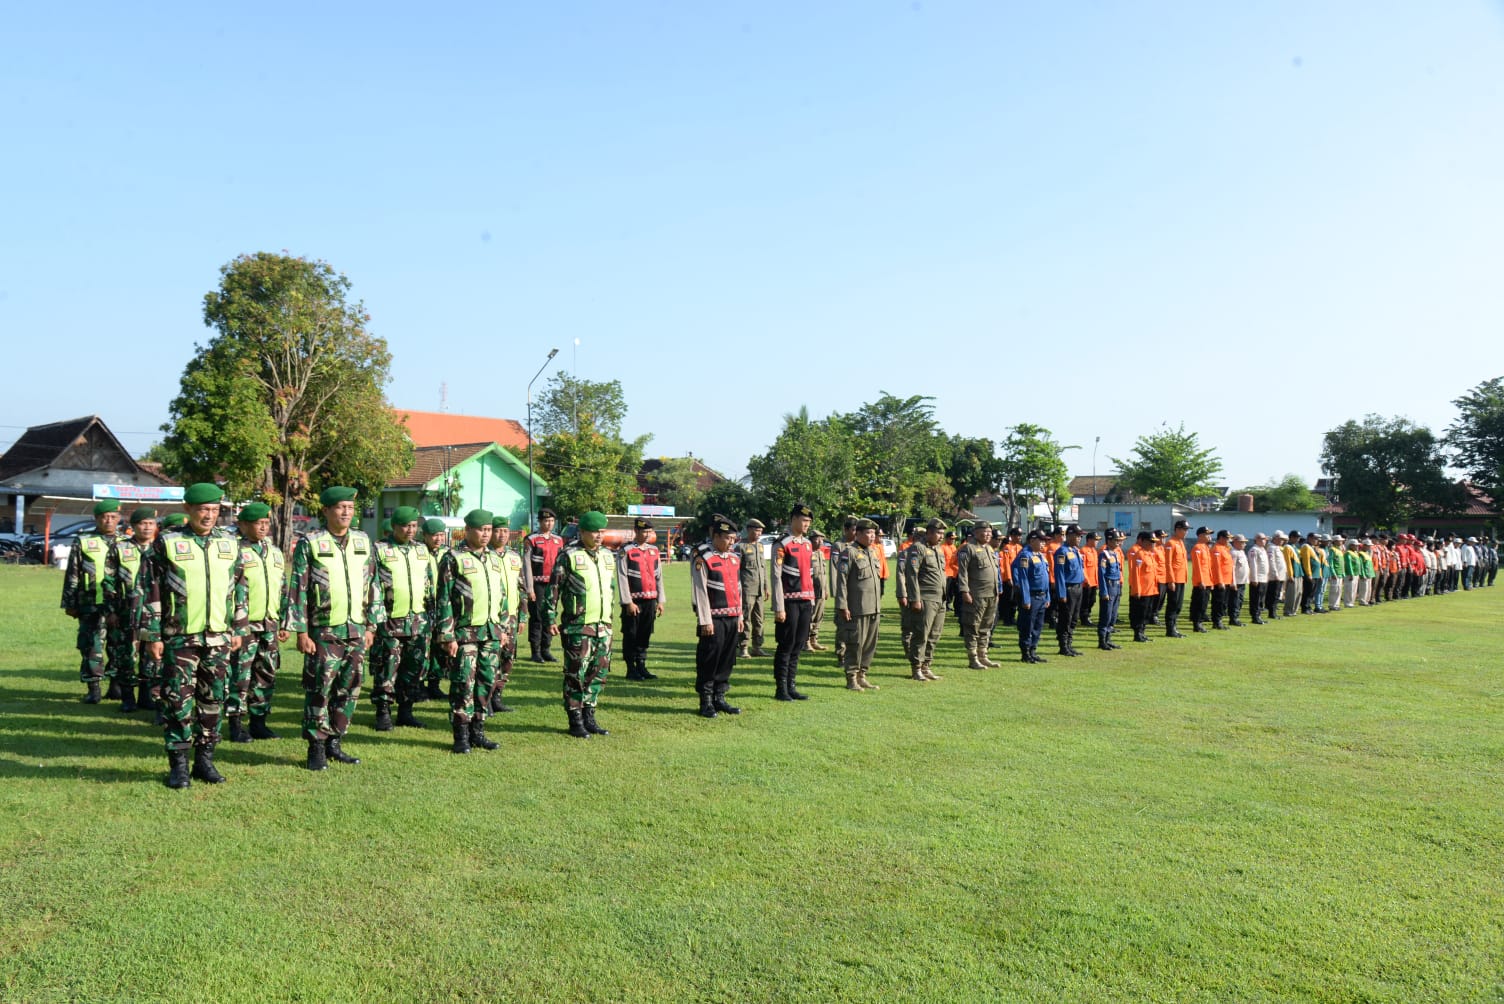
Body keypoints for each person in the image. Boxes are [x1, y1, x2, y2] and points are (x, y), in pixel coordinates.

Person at [139, 483, 247, 788]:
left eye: (214, 510)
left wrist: (239, 627)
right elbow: (151, 589)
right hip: (180, 637)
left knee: (213, 699)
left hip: (218, 637)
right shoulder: (168, 543)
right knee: (177, 701)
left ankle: (205, 760)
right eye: (203, 509)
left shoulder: (230, 543)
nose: (209, 515)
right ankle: (179, 766)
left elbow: (239, 587)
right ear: (188, 510)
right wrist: (152, 635)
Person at [284, 486, 384, 772]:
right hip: (324, 631)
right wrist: (301, 631)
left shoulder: (363, 541)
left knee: (349, 689)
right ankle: (316, 747)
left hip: (356, 629)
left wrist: (372, 625)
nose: (345, 513)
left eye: (350, 508)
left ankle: (334, 742)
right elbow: (298, 589)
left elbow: (373, 585)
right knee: (320, 689)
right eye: (340, 507)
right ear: (326, 510)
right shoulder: (311, 543)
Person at [433, 509, 508, 754]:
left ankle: (478, 730)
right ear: (467, 530)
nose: (486, 534)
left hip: (491, 633)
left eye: (488, 530)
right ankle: (461, 735)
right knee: (463, 684)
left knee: (486, 682)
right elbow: (443, 598)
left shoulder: (495, 559)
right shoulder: (453, 558)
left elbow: (502, 596)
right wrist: (447, 635)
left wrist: (504, 626)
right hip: (465, 634)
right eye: (481, 530)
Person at [549, 510, 618, 737]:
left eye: (601, 532)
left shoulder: (608, 555)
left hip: (603, 625)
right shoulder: (568, 555)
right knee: (575, 674)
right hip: (578, 626)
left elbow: (609, 589)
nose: (598, 536)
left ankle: (590, 715)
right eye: (593, 532)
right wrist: (550, 618)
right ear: (582, 532)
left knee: (598, 673)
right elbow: (553, 589)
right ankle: (575, 719)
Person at [226, 502, 287, 742]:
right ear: (243, 525)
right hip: (244, 625)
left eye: (265, 523)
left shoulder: (274, 551)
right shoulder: (234, 551)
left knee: (266, 673)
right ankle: (236, 724)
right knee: (241, 675)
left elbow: (280, 587)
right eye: (257, 523)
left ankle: (259, 722)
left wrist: (281, 620)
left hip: (269, 623)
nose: (263, 527)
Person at [368, 506, 432, 732]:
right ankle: (383, 712)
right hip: (390, 622)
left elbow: (429, 583)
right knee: (387, 668)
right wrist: (373, 621)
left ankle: (406, 711)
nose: (410, 530)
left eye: (414, 526)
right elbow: (370, 584)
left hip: (418, 622)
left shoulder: (421, 550)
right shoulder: (379, 549)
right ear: (394, 526)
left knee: (413, 669)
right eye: (405, 526)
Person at [61, 498, 123, 704]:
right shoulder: (84, 541)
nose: (108, 521)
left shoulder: (126, 542)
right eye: (104, 517)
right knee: (91, 646)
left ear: (119, 519)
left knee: (118, 646)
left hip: (120, 606)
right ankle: (93, 688)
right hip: (91, 604)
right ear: (96, 519)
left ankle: (116, 687)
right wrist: (69, 602)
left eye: (113, 517)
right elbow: (73, 573)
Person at [103, 506, 156, 714]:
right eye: (143, 523)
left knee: (150, 658)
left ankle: (146, 696)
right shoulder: (120, 548)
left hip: (153, 614)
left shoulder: (160, 549)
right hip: (126, 612)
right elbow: (108, 581)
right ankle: (127, 698)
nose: (147, 527)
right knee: (127, 656)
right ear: (133, 527)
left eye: (151, 523)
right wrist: (111, 611)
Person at [690, 516, 745, 717]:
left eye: (734, 538)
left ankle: (720, 697)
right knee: (709, 659)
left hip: (732, 616)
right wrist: (705, 620)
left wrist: (740, 615)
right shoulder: (703, 556)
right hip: (713, 618)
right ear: (716, 536)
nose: (732, 542)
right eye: (728, 538)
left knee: (727, 659)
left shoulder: (734, 558)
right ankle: (705, 701)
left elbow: (738, 588)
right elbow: (700, 589)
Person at [769, 504, 817, 701]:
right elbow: (776, 576)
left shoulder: (807, 544)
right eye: (804, 521)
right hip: (789, 602)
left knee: (798, 644)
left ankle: (792, 685)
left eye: (809, 522)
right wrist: (779, 607)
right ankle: (781, 688)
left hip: (806, 600)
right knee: (786, 645)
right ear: (794, 519)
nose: (807, 525)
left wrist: (812, 599)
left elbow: (809, 574)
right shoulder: (782, 544)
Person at [834, 518, 882, 691]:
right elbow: (841, 581)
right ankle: (851, 677)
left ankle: (862, 675)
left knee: (870, 644)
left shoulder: (873, 552)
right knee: (855, 644)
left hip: (873, 607)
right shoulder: (849, 552)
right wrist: (842, 605)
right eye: (868, 533)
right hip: (856, 608)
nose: (872, 536)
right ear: (858, 533)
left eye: (873, 533)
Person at [617, 517, 666, 681]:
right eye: (643, 531)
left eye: (648, 531)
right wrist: (628, 602)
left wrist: (661, 600)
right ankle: (631, 668)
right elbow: (622, 577)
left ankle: (641, 665)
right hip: (634, 602)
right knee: (631, 634)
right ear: (636, 531)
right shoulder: (627, 550)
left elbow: (659, 576)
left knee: (645, 634)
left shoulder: (654, 551)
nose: (646, 534)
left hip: (650, 599)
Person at [902, 518, 948, 681]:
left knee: (934, 635)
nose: (941, 536)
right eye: (938, 533)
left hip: (940, 598)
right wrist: (915, 598)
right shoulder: (918, 548)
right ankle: (916, 668)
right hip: (925, 598)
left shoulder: (939, 550)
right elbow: (911, 575)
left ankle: (926, 666)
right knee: (921, 634)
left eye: (943, 533)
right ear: (928, 533)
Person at [488, 516, 525, 713]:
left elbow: (521, 587)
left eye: (504, 531)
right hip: (492, 618)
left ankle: (497, 695)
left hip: (511, 617)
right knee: (490, 658)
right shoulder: (485, 555)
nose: (501, 535)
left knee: (507, 658)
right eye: (497, 530)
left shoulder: (514, 556)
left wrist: (523, 616)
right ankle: (485, 698)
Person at [522, 508, 566, 663]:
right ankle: (535, 651)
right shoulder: (531, 539)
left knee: (550, 616)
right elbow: (526, 565)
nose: (549, 523)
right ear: (539, 522)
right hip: (538, 583)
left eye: (552, 521)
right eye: (546, 521)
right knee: (537, 617)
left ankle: (546, 649)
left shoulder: (558, 540)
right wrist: (530, 588)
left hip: (553, 584)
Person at [421, 518, 452, 699]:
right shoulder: (419, 552)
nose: (438, 539)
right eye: (434, 535)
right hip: (424, 606)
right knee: (422, 647)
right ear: (425, 536)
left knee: (439, 647)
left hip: (442, 607)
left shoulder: (448, 553)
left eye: (441, 535)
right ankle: (419, 685)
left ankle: (434, 683)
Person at [1012, 529, 1051, 662]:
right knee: (1027, 626)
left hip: (1042, 596)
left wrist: (1048, 596)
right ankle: (1026, 653)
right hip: (1031, 596)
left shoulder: (1040, 555)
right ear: (1032, 540)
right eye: (1041, 540)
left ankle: (1033, 651)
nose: (1043, 543)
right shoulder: (1025, 555)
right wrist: (1026, 599)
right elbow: (1023, 579)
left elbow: (1046, 577)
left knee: (1037, 626)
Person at [1051, 525, 1086, 656]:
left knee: (1074, 618)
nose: (1079, 538)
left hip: (1078, 587)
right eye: (1077, 535)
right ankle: (1063, 646)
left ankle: (1069, 644)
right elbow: (1059, 574)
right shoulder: (1062, 551)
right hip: (1068, 588)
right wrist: (1061, 593)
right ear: (1070, 535)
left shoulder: (1075, 550)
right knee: (1066, 618)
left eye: (1080, 536)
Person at [737, 518, 768, 658]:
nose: (759, 533)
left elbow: (764, 568)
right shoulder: (740, 547)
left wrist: (766, 587)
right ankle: (743, 647)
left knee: (759, 619)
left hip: (760, 589)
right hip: (747, 588)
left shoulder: (760, 546)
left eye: (761, 531)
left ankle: (757, 646)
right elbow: (736, 570)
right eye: (756, 530)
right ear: (749, 529)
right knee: (746, 619)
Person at [833, 517, 859, 665]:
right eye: (854, 530)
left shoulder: (858, 547)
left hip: (855, 592)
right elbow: (836, 570)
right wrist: (837, 594)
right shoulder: (839, 545)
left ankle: (853, 653)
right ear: (846, 530)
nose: (855, 533)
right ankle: (841, 654)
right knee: (842, 624)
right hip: (842, 591)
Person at [1126, 531, 1159, 643]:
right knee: (1139, 613)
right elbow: (1136, 573)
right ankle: (1137, 633)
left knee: (1147, 613)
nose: (1154, 544)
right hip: (1142, 590)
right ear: (1144, 541)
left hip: (1150, 590)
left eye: (1154, 542)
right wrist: (1137, 590)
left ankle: (1142, 632)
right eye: (1151, 541)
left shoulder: (1150, 554)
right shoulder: (1139, 554)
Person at [1095, 528, 1124, 650]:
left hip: (1116, 585)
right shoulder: (1104, 554)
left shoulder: (1115, 553)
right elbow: (1101, 574)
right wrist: (1104, 591)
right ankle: (1102, 640)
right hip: (1109, 585)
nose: (1118, 542)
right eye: (1116, 540)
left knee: (1113, 615)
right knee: (1106, 615)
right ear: (1109, 540)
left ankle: (1108, 639)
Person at [1163, 522, 1189, 636]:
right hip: (1174, 579)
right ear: (1177, 530)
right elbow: (1168, 563)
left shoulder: (1181, 543)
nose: (1186, 532)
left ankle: (1174, 627)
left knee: (1178, 605)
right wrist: (1171, 580)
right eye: (1184, 529)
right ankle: (1170, 629)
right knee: (1173, 604)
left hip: (1181, 579)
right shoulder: (1170, 543)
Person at [806, 530, 830, 652]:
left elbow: (823, 574)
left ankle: (814, 640)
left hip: (821, 592)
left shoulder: (820, 554)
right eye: (817, 539)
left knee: (819, 616)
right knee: (809, 616)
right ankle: (805, 642)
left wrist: (825, 589)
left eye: (822, 539)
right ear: (811, 540)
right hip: (811, 592)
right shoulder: (807, 553)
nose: (820, 542)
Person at [1188, 526, 1214, 633]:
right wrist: (1201, 580)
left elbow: (1208, 567)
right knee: (1199, 603)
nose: (1209, 537)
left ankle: (1200, 622)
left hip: (1207, 580)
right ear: (1200, 535)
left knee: (1204, 603)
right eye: (1207, 534)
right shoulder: (1197, 548)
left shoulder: (1206, 548)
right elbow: (1198, 566)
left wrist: (1211, 581)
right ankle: (1197, 623)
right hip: (1201, 581)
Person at [996, 527, 1022, 627]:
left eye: (1020, 535)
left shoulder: (1019, 547)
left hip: (1018, 577)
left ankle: (1012, 617)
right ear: (1012, 536)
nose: (1019, 537)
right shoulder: (1007, 547)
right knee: (1008, 599)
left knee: (1015, 600)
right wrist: (1009, 577)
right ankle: (1007, 619)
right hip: (1009, 578)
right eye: (1017, 535)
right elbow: (1006, 564)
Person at [1210, 529, 1233, 629]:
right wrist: (1220, 581)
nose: (1229, 540)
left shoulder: (1225, 548)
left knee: (1223, 602)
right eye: (1227, 538)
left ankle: (1220, 620)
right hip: (1220, 581)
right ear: (1221, 538)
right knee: (1218, 602)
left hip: (1227, 580)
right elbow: (1217, 566)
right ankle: (1217, 621)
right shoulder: (1217, 549)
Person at [1246, 533, 1270, 625]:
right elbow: (1253, 565)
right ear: (1257, 540)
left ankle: (1258, 616)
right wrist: (1254, 578)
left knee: (1261, 599)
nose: (1265, 541)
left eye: (1265, 539)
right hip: (1257, 579)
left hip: (1264, 578)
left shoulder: (1263, 550)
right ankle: (1255, 617)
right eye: (1263, 539)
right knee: (1256, 599)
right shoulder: (1254, 550)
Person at [1078, 531, 1099, 628]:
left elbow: (1095, 568)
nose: (1097, 542)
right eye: (1095, 540)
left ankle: (1087, 616)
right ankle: (1084, 618)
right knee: (1085, 601)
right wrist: (1086, 580)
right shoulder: (1083, 551)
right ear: (1089, 540)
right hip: (1087, 583)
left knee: (1092, 600)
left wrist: (1097, 581)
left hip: (1094, 581)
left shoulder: (1094, 551)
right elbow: (1083, 567)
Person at [1228, 532, 1248, 626]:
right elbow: (1232, 568)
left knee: (1240, 600)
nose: (1244, 544)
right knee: (1235, 601)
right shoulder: (1233, 553)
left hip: (1242, 581)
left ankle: (1236, 617)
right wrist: (1233, 581)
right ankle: (1233, 619)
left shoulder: (1241, 552)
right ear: (1235, 542)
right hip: (1236, 582)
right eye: (1242, 542)